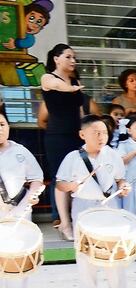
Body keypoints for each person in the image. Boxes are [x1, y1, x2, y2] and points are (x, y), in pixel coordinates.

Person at [55, 115, 132, 288]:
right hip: (83, 206)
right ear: (82, 135)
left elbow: (120, 179)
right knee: (85, 255)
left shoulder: (113, 155)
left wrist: (124, 186)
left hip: (109, 206)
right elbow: (60, 184)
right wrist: (71, 186)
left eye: (104, 132)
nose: (101, 136)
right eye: (96, 133)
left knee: (113, 252)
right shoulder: (73, 158)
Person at [38, 44, 100, 241]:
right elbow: (58, 86)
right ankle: (64, 223)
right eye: (68, 57)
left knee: (81, 177)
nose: (73, 60)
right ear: (56, 59)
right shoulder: (47, 78)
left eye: (74, 57)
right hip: (57, 137)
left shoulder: (75, 81)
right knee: (62, 180)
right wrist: (70, 88)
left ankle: (78, 220)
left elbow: (79, 111)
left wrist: (87, 132)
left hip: (76, 135)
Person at [0, 110, 45, 288]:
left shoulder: (20, 151)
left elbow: (36, 178)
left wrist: (32, 196)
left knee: (17, 258)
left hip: (19, 211)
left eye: (2, 124)